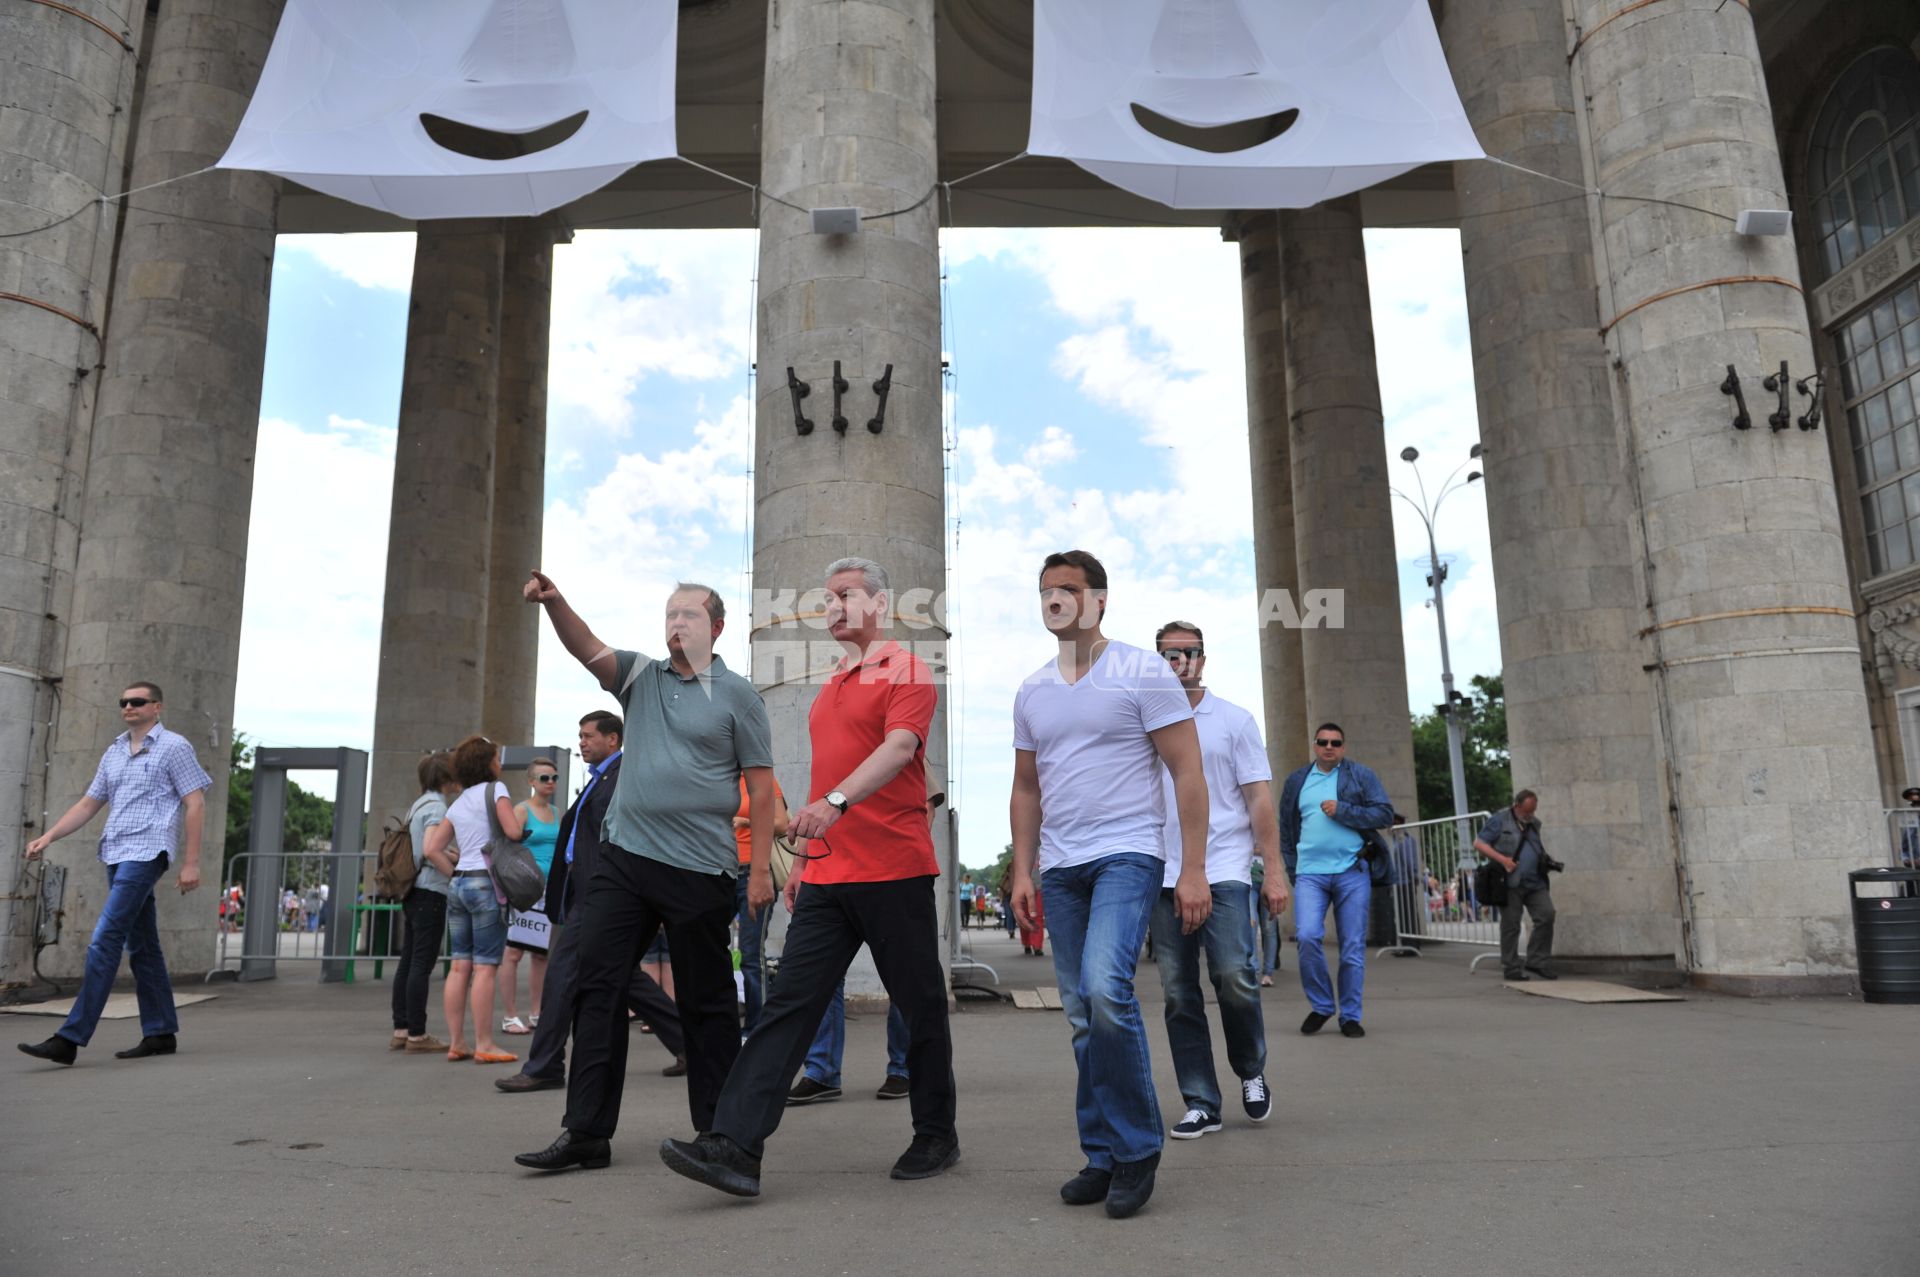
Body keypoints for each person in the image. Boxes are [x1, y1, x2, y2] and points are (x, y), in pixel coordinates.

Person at [661, 556, 957, 1197]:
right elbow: (825, 779)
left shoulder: (906, 670)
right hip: (827, 876)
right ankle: (734, 1146)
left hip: (895, 871)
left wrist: (837, 805)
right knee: (787, 1006)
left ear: (880, 604)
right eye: (827, 598)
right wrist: (800, 866)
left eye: (846, 595)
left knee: (920, 1005)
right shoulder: (831, 686)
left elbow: (900, 749)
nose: (834, 606)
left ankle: (936, 1132)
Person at [513, 577, 775, 1173]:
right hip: (625, 860)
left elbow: (760, 790)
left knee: (708, 1006)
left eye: (690, 614)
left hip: (701, 868)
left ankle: (720, 1136)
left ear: (717, 628)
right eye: (670, 614)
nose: (677, 623)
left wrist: (758, 870)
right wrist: (555, 602)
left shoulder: (740, 696)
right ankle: (585, 1133)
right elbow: (587, 648)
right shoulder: (640, 677)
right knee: (595, 986)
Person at [1007, 549, 1210, 1220]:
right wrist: (1022, 866)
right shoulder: (1033, 689)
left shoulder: (1141, 671)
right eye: (1045, 591)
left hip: (1128, 852)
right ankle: (1101, 1153)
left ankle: (1138, 1147)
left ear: (1099, 599)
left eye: (1067, 589)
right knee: (1079, 1013)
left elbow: (1186, 769)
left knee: (1105, 988)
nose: (1054, 600)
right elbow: (1027, 785)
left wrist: (1193, 867)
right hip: (1061, 868)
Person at [18, 681, 212, 1066]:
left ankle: (70, 1038)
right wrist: (49, 835)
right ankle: (159, 1032)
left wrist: (191, 862)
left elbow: (195, 802)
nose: (128, 706)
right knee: (143, 945)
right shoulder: (114, 752)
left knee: (105, 940)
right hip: (116, 851)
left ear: (156, 706)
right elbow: (90, 803)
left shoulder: (175, 747)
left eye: (137, 701)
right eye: (123, 701)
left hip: (147, 850)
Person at [496, 712, 690, 1094]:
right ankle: (689, 1044)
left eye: (588, 736)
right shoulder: (602, 777)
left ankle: (546, 1065)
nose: (582, 742)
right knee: (625, 978)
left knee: (561, 976)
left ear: (613, 739)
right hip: (589, 894)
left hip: (600, 895)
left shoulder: (620, 778)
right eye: (579, 735)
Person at [1148, 621, 1285, 1140]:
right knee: (1179, 992)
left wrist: (1273, 871)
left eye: (1189, 653)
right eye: (1168, 654)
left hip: (1225, 867)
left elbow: (1259, 799)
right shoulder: (1142, 722)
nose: (1179, 661)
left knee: (1233, 975)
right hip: (1161, 871)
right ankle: (1201, 1100)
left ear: (1203, 660)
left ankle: (1250, 1070)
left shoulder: (1233, 720)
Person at [786, 790, 944, 1106]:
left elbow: (925, 806)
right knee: (821, 979)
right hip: (831, 876)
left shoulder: (898, 742)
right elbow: (814, 807)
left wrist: (898, 864)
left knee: (904, 978)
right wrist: (800, 866)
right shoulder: (830, 747)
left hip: (886, 874)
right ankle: (822, 1071)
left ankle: (903, 1067)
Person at [1277, 722, 1393, 1039]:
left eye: (1336, 742)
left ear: (1343, 746)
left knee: (1352, 947)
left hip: (1352, 872)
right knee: (1308, 936)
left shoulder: (1360, 776)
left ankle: (1350, 1016)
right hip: (1310, 874)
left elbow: (1384, 814)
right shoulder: (1298, 781)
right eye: (1323, 741)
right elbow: (1286, 829)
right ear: (1315, 745)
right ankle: (1323, 1005)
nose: (1329, 746)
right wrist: (1291, 869)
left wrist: (1344, 810)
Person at [422, 737, 523, 1065]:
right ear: (487, 762)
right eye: (496, 757)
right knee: (485, 967)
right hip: (486, 883)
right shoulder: (497, 791)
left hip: (460, 884)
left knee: (459, 965)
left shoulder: (459, 801)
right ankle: (485, 1044)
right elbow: (513, 831)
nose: (500, 763)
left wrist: (454, 873)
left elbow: (432, 848)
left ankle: (457, 1043)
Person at [389, 751, 459, 1055]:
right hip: (430, 889)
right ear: (446, 778)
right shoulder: (437, 808)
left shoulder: (417, 805)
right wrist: (454, 874)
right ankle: (418, 1034)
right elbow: (431, 850)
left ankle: (402, 1028)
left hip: (411, 889)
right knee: (421, 963)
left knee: (408, 962)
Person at [500, 759, 561, 1035]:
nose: (551, 782)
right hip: (525, 889)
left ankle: (537, 1012)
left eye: (554, 777)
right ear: (532, 782)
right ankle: (510, 1015)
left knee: (540, 954)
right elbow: (507, 846)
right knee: (513, 953)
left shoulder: (557, 812)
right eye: (545, 778)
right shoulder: (522, 810)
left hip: (549, 890)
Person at [1475, 790, 1560, 981]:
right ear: (1517, 806)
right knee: (1511, 924)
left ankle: (1537, 961)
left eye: (1533, 811)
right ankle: (1511, 966)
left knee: (1547, 915)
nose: (1530, 815)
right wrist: (1503, 860)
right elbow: (1479, 843)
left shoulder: (1534, 824)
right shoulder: (1499, 820)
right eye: (1527, 811)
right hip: (1510, 882)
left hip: (1535, 880)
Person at [734, 771, 790, 1035]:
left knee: (750, 954)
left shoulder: (760, 779)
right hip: (719, 872)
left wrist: (745, 821)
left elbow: (782, 823)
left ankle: (758, 1029)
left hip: (752, 873)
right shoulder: (716, 777)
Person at [1386, 812, 1425, 954]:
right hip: (1396, 883)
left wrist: (1414, 877)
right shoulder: (1394, 840)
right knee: (1399, 915)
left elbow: (1410, 863)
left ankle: (1411, 945)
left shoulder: (1404, 841)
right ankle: (1402, 944)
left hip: (1404, 882)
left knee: (1407, 914)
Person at [1249, 857, 1281, 985]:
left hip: (1269, 880)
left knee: (1269, 928)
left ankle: (1268, 973)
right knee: (1251, 925)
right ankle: (1253, 972)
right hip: (1248, 880)